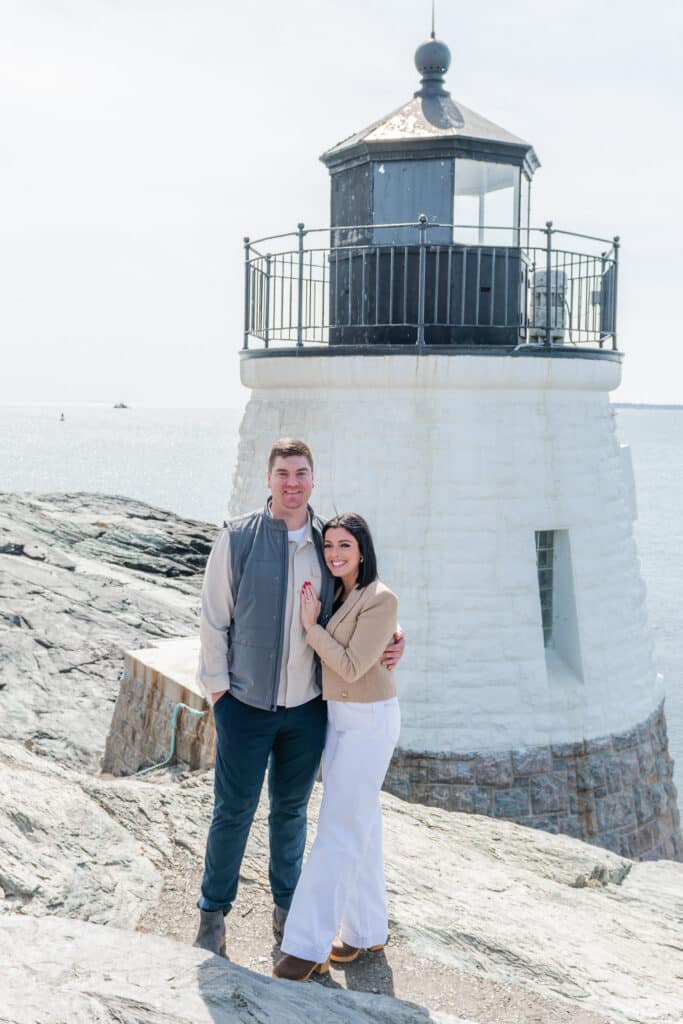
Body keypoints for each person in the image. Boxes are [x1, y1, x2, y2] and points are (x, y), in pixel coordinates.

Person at [193, 439, 405, 957]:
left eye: (302, 472)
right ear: (269, 479)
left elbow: (364, 598)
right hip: (242, 705)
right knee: (233, 811)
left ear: (314, 478)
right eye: (283, 472)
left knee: (290, 813)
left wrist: (395, 635)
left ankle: (287, 912)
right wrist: (218, 693)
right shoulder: (238, 538)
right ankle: (212, 913)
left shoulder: (326, 541)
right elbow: (213, 619)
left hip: (308, 710)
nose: (293, 482)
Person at [273, 513, 401, 983]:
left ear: (362, 550)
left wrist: (312, 629)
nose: (334, 553)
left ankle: (307, 946)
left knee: (337, 831)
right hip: (341, 719)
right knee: (360, 825)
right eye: (328, 545)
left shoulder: (381, 598)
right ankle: (366, 930)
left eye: (344, 545)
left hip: (369, 721)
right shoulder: (341, 592)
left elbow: (349, 665)